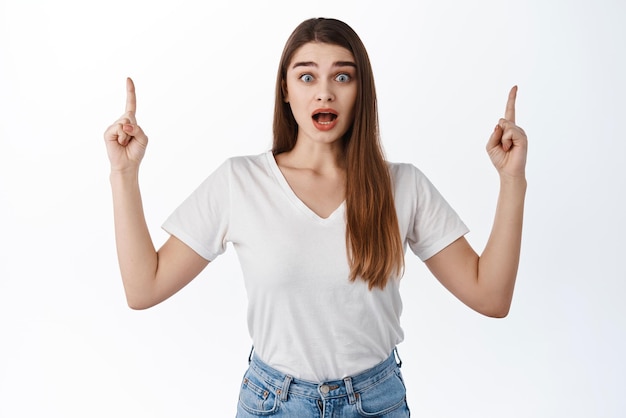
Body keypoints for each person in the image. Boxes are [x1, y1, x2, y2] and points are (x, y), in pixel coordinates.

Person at [104, 17, 527, 418]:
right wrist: (124, 174)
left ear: (362, 90)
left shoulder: (404, 186)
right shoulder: (240, 182)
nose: (324, 93)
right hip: (273, 403)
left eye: (342, 76)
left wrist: (512, 181)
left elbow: (490, 297)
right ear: (285, 90)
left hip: (375, 403)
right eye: (307, 76)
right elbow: (144, 288)